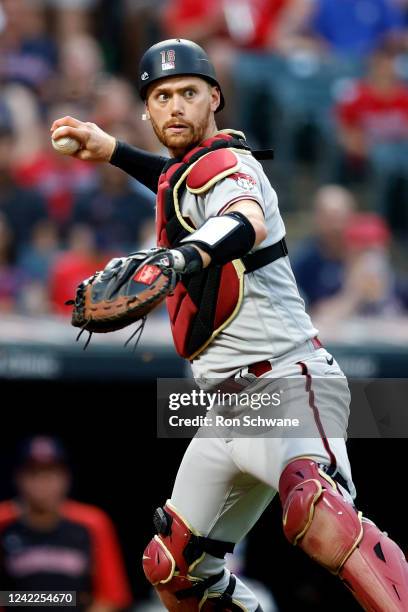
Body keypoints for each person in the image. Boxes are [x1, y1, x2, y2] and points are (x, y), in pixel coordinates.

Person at [50, 38, 408, 611]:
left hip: (287, 381)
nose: (174, 106)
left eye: (188, 93)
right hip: (223, 409)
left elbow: (241, 222)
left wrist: (178, 259)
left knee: (315, 510)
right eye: (161, 96)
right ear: (148, 109)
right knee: (172, 567)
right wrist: (113, 149)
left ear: (214, 97)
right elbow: (174, 181)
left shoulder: (230, 164)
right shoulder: (186, 174)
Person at [0, 435, 132, 612]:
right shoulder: (3, 520)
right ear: (18, 477)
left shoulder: (92, 521)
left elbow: (113, 597)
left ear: (66, 477)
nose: (42, 482)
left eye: (51, 472)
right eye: (33, 472)